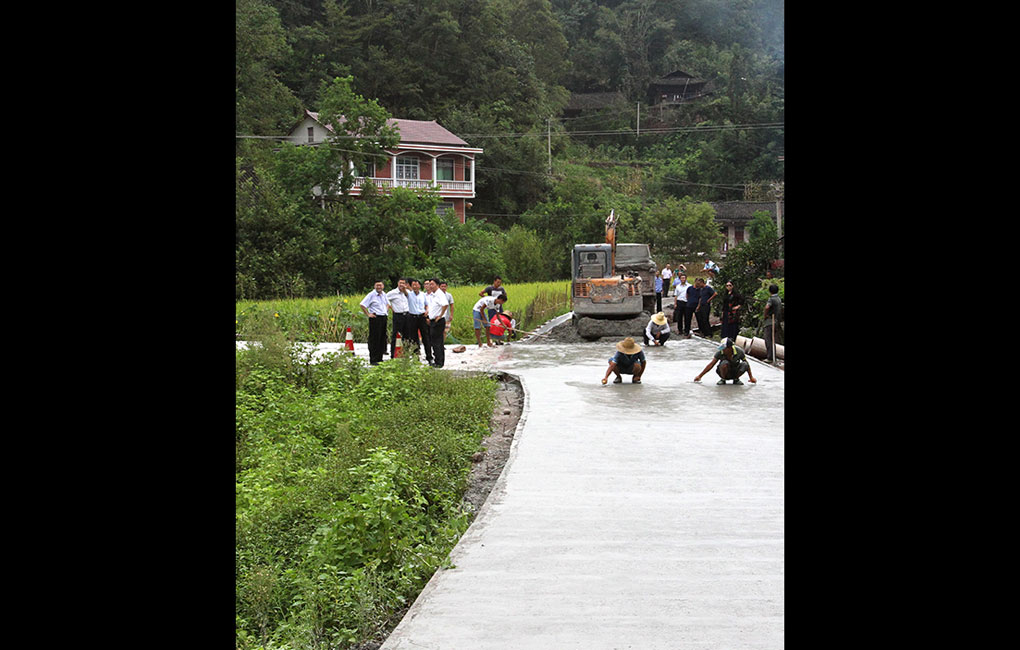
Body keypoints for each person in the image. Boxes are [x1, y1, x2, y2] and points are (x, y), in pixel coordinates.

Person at [359, 281, 390, 365]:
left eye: (380, 285)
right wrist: (368, 314)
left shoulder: (384, 294)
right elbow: (362, 304)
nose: (379, 287)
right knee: (374, 339)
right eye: (377, 285)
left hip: (383, 317)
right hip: (375, 318)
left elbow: (388, 304)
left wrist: (386, 310)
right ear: (374, 286)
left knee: (382, 338)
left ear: (383, 286)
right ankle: (373, 359)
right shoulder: (371, 295)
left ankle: (379, 358)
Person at [424, 278, 450, 367]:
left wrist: (440, 315)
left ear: (437, 285)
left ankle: (439, 362)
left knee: (437, 342)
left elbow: (445, 304)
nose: (430, 286)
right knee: (434, 341)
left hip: (438, 321)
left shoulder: (439, 294)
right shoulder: (434, 295)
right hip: (432, 320)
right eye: (429, 284)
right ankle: (438, 360)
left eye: (432, 284)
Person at [386, 278, 411, 358]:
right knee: (396, 335)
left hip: (407, 315)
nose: (401, 285)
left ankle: (406, 354)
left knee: (407, 335)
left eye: (403, 283)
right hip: (398, 316)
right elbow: (385, 300)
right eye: (400, 283)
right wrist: (390, 307)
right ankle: (393, 354)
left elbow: (411, 300)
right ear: (397, 283)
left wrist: (405, 291)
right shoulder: (392, 293)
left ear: (406, 284)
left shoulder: (408, 293)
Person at [762, 283, 783, 364]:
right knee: (773, 339)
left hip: (770, 321)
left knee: (768, 339)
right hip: (776, 321)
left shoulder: (771, 299)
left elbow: (767, 307)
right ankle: (773, 355)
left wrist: (765, 315)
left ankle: (770, 357)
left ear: (770, 291)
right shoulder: (778, 299)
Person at [406, 278, 426, 358]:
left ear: (419, 286)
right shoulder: (409, 294)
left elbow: (427, 304)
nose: (415, 286)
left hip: (421, 317)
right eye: (413, 285)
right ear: (411, 286)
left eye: (416, 284)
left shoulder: (423, 294)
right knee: (413, 336)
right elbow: (404, 291)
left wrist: (427, 310)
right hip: (412, 317)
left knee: (425, 336)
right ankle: (416, 354)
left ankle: (429, 355)